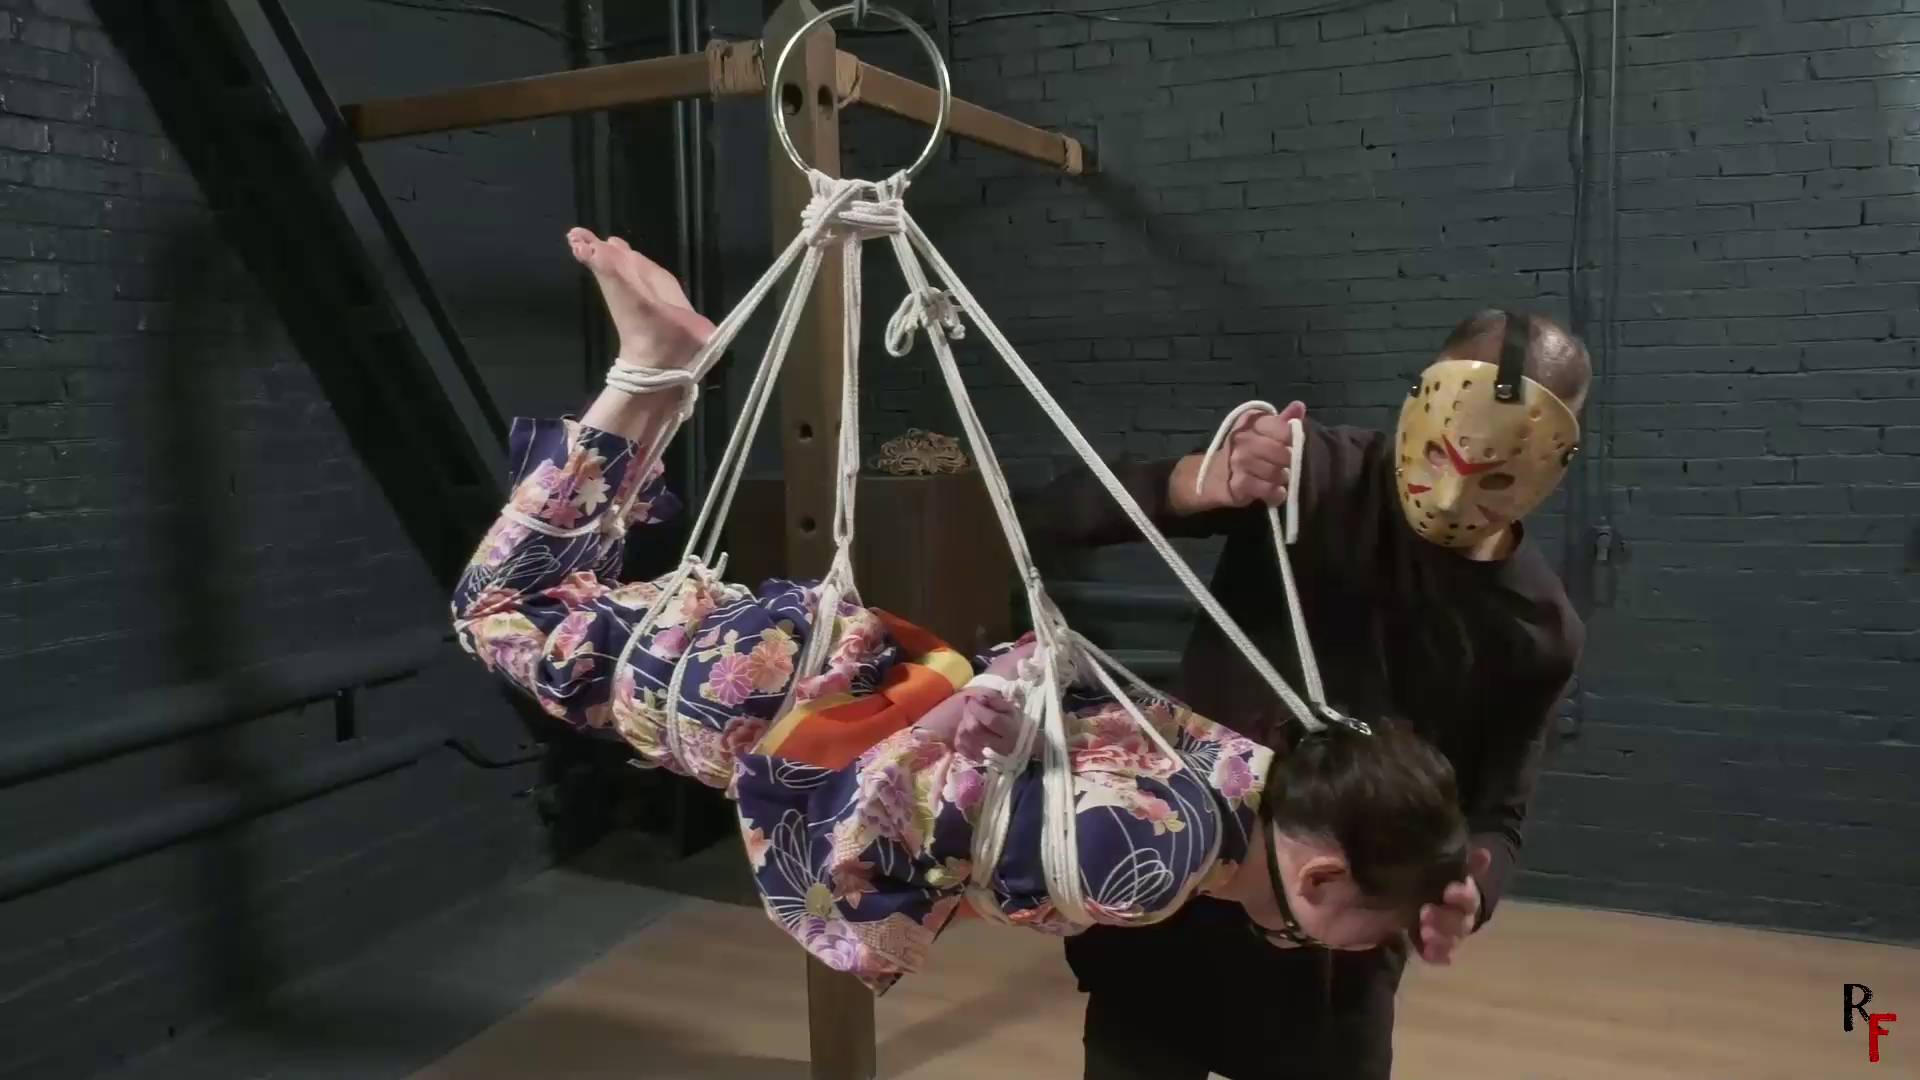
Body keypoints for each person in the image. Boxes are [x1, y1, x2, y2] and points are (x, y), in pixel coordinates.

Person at [450, 230, 1473, 994]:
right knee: (502, 609)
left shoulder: (1235, 772)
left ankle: (650, 372)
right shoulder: (1150, 869)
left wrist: (991, 709)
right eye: (1375, 933)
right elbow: (925, 815)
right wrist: (952, 747)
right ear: (1323, 880)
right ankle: (649, 367)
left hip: (843, 662)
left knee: (552, 598)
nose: (1374, 948)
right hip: (778, 710)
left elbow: (1031, 732)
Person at [1024, 311, 1589, 1079]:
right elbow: (1052, 515)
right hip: (1175, 907)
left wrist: (1472, 889)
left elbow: (1500, 812)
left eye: (1497, 477)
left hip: (1338, 954)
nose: (1454, 491)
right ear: (1419, 402)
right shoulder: (1307, 477)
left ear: (1552, 469)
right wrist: (1198, 482)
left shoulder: (1535, 628)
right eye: (1440, 454)